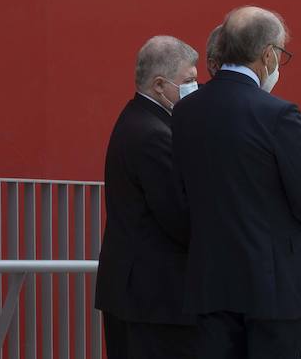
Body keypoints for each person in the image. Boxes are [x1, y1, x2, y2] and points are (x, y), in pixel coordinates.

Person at [172, 6, 301, 359]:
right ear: (268, 54)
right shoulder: (278, 113)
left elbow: (184, 194)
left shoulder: (185, 111)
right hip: (271, 287)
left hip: (209, 283)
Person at [95, 36, 200, 359]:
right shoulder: (155, 134)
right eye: (189, 80)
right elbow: (179, 217)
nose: (195, 88)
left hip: (138, 294)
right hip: (154, 299)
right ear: (159, 85)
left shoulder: (137, 119)